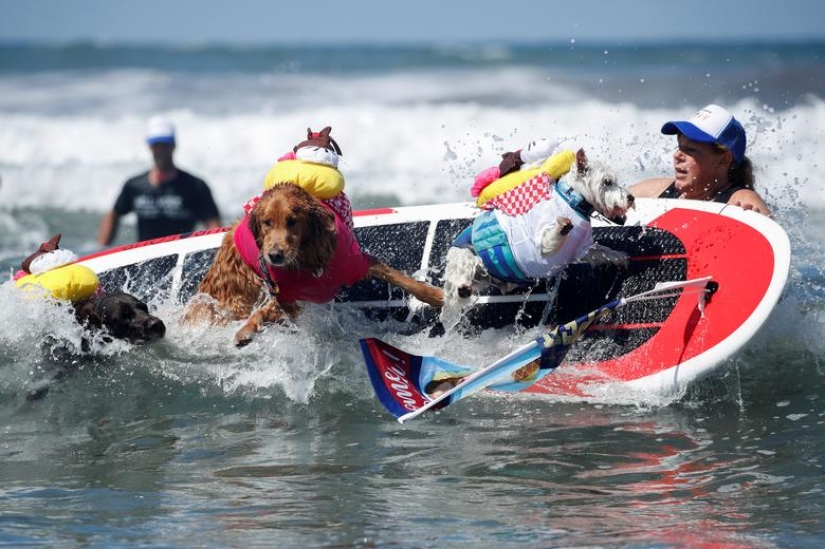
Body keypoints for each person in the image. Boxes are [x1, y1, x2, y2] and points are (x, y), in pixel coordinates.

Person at [97, 115, 221, 246]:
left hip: (182, 257)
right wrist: (101, 248)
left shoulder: (195, 186)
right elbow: (114, 213)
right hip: (145, 259)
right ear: (150, 146)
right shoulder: (134, 186)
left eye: (165, 145)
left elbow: (213, 224)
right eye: (157, 145)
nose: (161, 150)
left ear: (173, 145)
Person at [630, 104, 770, 216]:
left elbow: (772, 241)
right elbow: (610, 201)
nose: (677, 155)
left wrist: (754, 221)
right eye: (680, 147)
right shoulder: (655, 191)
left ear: (724, 159)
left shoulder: (742, 201)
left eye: (691, 150)